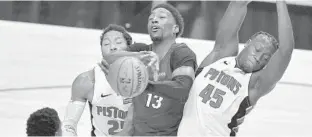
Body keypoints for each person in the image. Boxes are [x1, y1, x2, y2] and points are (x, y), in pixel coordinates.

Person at [178, 1, 294, 136]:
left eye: (265, 58)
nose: (258, 57)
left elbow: (285, 51)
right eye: (257, 50)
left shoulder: (254, 84)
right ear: (248, 43)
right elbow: (237, 4)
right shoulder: (220, 56)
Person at [116, 3, 197, 136]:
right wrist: (136, 56)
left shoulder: (181, 53)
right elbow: (109, 58)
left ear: (175, 28)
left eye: (162, 17)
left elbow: (183, 88)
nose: (154, 19)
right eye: (151, 18)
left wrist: (147, 84)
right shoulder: (140, 50)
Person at [61, 24, 139, 136]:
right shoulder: (87, 80)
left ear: (129, 47)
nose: (112, 47)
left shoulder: (142, 78)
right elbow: (69, 125)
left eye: (118, 42)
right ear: (101, 49)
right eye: (106, 43)